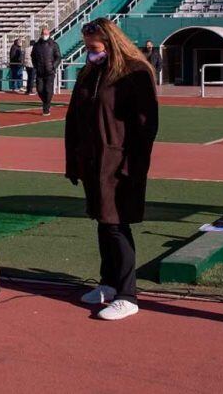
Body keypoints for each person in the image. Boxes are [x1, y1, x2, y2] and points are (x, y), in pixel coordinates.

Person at [65, 17, 158, 321]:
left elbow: (146, 127)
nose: (88, 52)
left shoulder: (135, 73)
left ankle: (128, 293)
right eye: (86, 46)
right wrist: (74, 160)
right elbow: (74, 120)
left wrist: (133, 165)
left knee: (117, 225)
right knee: (103, 222)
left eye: (93, 46)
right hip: (92, 161)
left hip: (120, 163)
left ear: (110, 42)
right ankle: (108, 282)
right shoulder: (90, 73)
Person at [31, 27, 61, 116]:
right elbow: (33, 57)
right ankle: (45, 102)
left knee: (48, 90)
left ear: (49, 34)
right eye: (43, 33)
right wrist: (35, 66)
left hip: (50, 72)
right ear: (41, 34)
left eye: (46, 34)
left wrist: (53, 66)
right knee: (39, 90)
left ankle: (46, 108)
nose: (45, 35)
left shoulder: (54, 45)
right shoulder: (36, 45)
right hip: (39, 71)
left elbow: (58, 57)